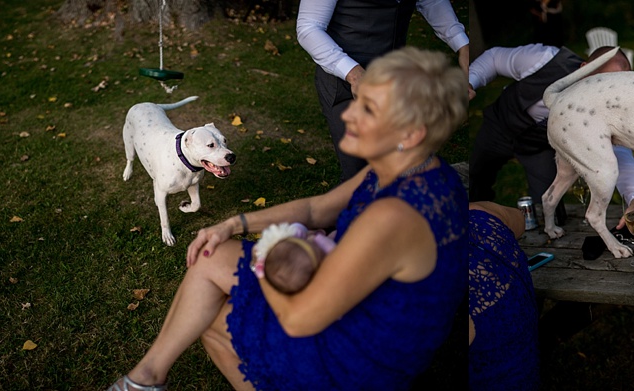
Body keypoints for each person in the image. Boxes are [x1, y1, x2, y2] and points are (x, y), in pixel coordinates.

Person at [110, 48, 538, 391]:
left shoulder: (393, 216)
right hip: (366, 311)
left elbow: (300, 320)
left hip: (358, 358)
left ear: (411, 134)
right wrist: (234, 224)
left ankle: (143, 381)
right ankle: (144, 379)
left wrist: (267, 257)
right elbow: (318, 208)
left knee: (215, 320)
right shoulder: (416, 168)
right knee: (211, 261)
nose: (348, 114)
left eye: (368, 109)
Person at [297, 0, 477, 182]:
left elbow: (432, 1)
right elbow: (308, 27)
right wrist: (352, 73)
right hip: (343, 81)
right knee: (359, 175)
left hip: (396, 78)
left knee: (403, 162)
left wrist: (461, 44)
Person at [462, 45, 634, 219]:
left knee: (549, 213)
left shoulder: (609, 111)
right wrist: (470, 82)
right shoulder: (544, 60)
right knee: (474, 178)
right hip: (500, 126)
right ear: (584, 69)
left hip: (539, 147)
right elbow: (494, 58)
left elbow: (621, 157)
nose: (610, 93)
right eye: (603, 82)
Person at [249, 223, 338, 294]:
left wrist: (298, 231)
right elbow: (335, 254)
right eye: (315, 248)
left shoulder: (295, 240)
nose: (313, 243)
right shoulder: (322, 244)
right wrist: (317, 238)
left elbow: (297, 227)